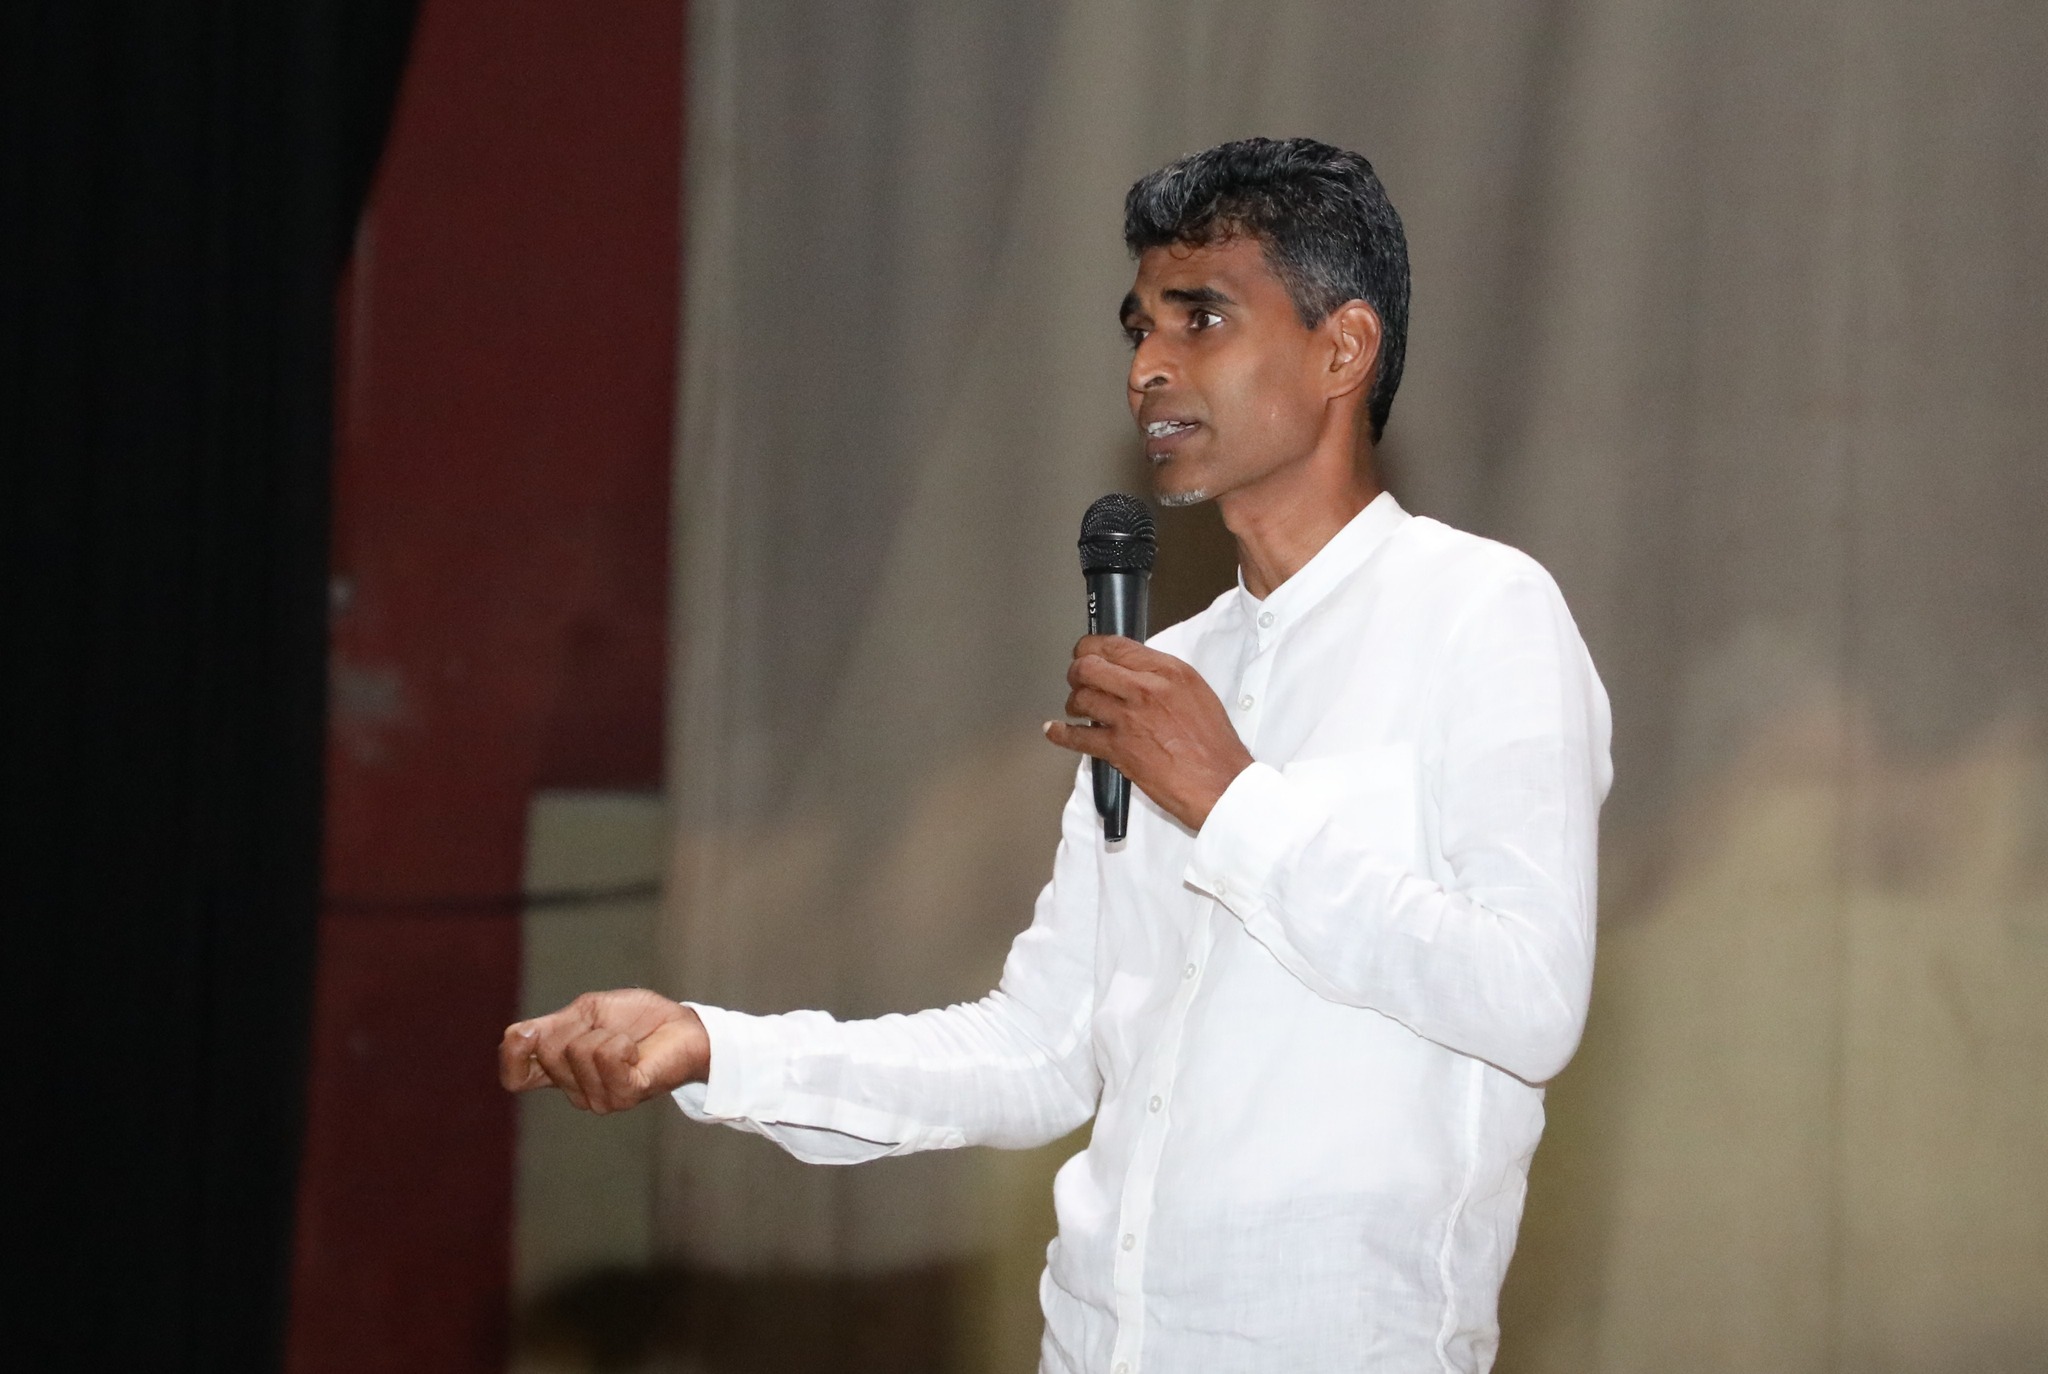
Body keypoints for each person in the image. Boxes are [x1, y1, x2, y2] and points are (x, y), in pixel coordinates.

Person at [501, 136, 1611, 1373]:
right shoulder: (1166, 671)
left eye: (1198, 318)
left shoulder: (1479, 613)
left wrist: (1230, 800)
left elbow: (1529, 1000)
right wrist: (717, 1046)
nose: (1146, 368)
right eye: (1138, 328)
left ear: (1341, 349)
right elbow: (1036, 1051)